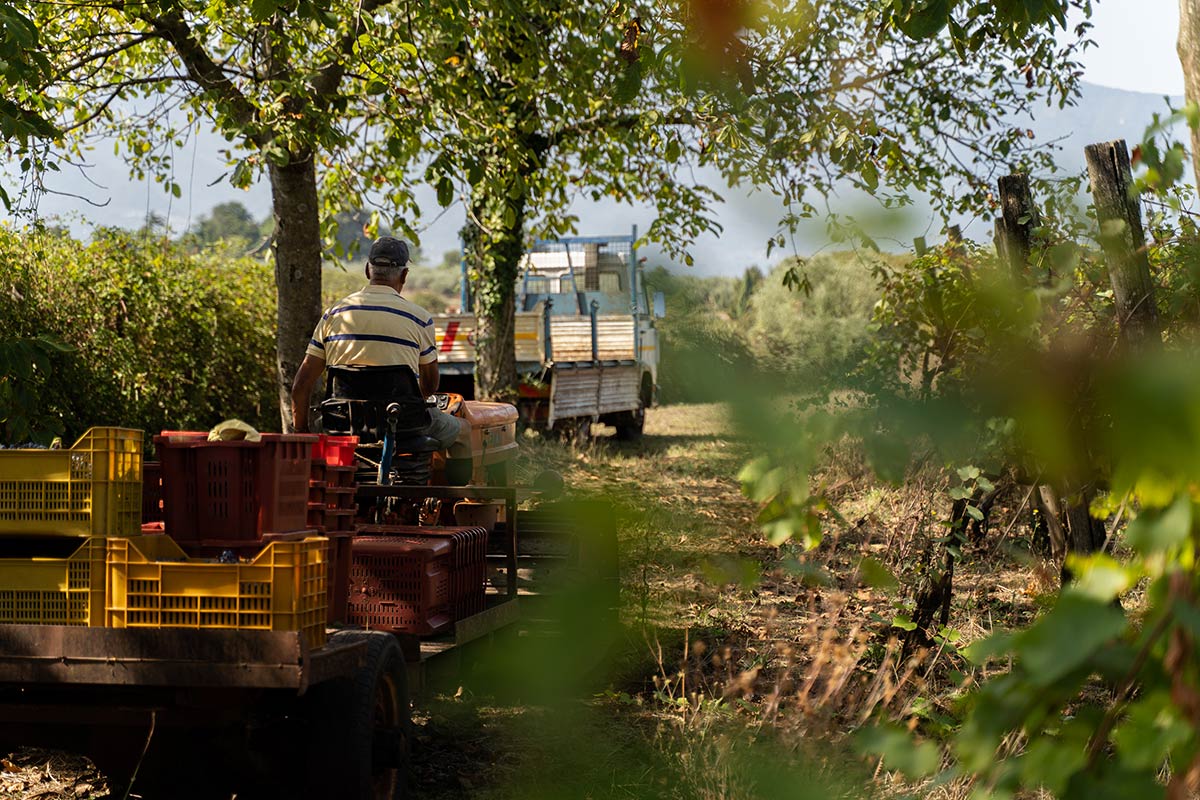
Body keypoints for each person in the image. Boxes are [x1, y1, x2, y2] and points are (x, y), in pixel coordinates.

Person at [290, 236, 466, 450]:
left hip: (341, 424)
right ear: (404, 275)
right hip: (404, 426)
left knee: (320, 424)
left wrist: (301, 433)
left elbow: (301, 385)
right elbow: (429, 386)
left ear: (367, 270)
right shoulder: (420, 319)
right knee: (461, 429)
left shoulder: (334, 315)